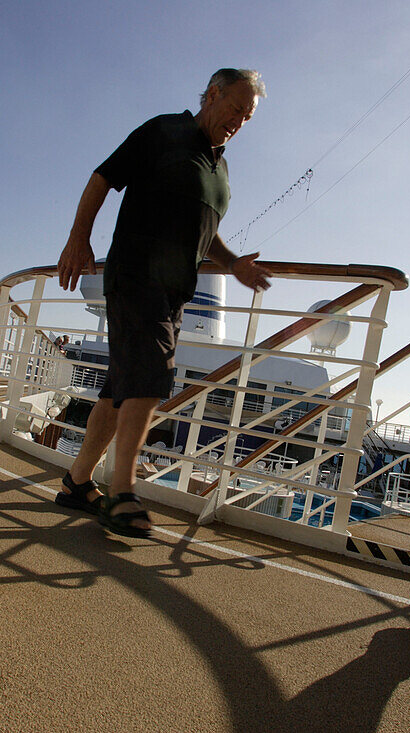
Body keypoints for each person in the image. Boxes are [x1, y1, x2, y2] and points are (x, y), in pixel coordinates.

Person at [55, 68, 273, 538]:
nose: (239, 121)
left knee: (120, 391)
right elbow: (103, 177)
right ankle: (123, 491)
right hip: (136, 274)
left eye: (248, 116)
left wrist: (233, 263)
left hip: (175, 290)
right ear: (212, 94)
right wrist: (78, 238)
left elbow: (203, 231)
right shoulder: (164, 131)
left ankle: (77, 483)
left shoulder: (221, 166)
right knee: (151, 375)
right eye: (236, 108)